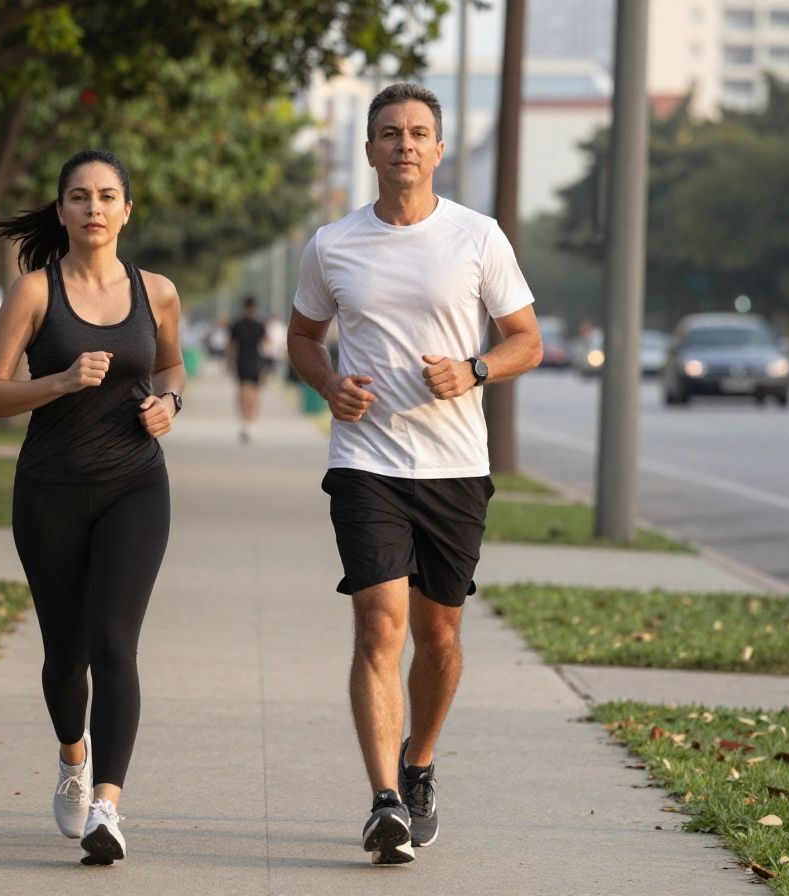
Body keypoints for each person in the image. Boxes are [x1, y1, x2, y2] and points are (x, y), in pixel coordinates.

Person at [287, 83, 542, 865]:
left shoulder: (478, 237)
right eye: (390, 132)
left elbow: (526, 339)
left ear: (437, 150)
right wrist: (331, 386)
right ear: (369, 151)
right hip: (365, 463)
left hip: (456, 467)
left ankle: (419, 763)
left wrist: (474, 370)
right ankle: (384, 801)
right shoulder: (332, 244)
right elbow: (302, 337)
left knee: (439, 636)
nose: (404, 144)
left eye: (419, 132)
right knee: (379, 625)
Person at [0, 149, 185, 866]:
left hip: (136, 484)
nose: (93, 208)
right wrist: (62, 380)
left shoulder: (157, 291)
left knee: (114, 644)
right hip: (50, 491)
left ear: (127, 209)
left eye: (106, 196)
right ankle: (73, 757)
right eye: (78, 197)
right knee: (65, 658)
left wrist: (171, 402)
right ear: (62, 211)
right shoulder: (35, 293)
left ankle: (107, 805)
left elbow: (171, 364)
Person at [227, 295, 267, 442]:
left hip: (241, 360)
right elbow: (265, 343)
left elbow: (231, 346)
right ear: (254, 308)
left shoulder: (237, 324)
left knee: (243, 390)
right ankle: (252, 421)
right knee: (255, 392)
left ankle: (245, 422)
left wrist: (229, 363)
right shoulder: (260, 324)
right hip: (256, 360)